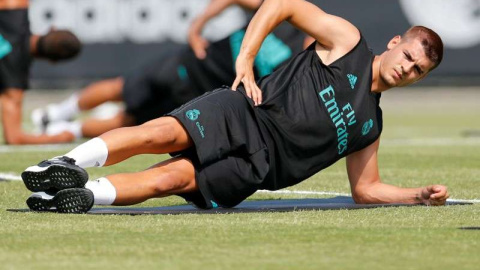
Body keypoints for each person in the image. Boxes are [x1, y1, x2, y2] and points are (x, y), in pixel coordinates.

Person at [21, 0, 448, 214]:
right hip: (245, 112)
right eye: (408, 57)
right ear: (395, 43)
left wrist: (418, 196)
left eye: (418, 71)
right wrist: (246, 57)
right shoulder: (348, 43)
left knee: (167, 181)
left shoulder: (370, 124)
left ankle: (76, 197)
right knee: (158, 134)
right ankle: (65, 162)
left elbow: (365, 189)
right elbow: (284, 4)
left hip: (258, 168)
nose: (407, 69)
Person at [31, 0, 312, 139]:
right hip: (187, 65)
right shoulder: (284, 20)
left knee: (130, 122)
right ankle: (57, 112)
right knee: (122, 87)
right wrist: (198, 24)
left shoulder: (299, 66)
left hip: (199, 93)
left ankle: (64, 129)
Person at [0, 0, 82, 144]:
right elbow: (14, 138)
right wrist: (60, 137)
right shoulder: (14, 84)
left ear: (51, 28)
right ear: (53, 62)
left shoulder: (14, 8)